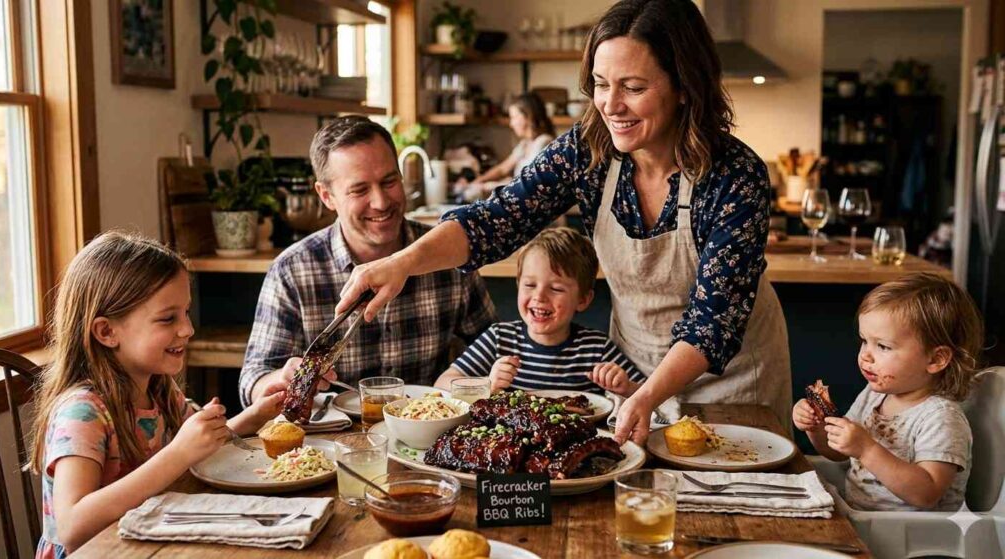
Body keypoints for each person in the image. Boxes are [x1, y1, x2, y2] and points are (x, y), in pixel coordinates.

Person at [336, 0, 791, 444]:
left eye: (633, 87)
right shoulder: (588, 149)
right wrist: (401, 263)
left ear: (684, 87)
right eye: (599, 84)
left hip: (729, 385)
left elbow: (711, 325)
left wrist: (651, 395)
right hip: (628, 373)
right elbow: (495, 221)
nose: (610, 105)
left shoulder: (734, 174)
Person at [28, 232, 286, 557]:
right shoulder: (83, 411)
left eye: (186, 312)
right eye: (168, 318)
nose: (188, 329)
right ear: (107, 332)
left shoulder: (158, 388)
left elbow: (201, 444)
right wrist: (178, 454)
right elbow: (72, 527)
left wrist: (257, 415)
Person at [240, 116, 497, 408]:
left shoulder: (444, 252)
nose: (380, 202)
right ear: (327, 196)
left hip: (425, 437)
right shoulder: (293, 270)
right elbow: (254, 377)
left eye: (389, 182)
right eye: (360, 190)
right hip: (328, 441)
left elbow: (492, 346)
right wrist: (279, 379)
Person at [794, 273, 983, 511]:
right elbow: (839, 452)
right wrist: (816, 427)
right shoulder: (874, 395)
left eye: (882, 346)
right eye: (864, 341)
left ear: (936, 359)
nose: (866, 355)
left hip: (912, 536)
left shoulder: (941, 418)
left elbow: (927, 493)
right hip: (862, 519)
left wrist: (866, 449)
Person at [435, 227, 644, 396]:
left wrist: (625, 387)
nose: (540, 296)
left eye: (556, 289)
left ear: (582, 299)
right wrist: (485, 385)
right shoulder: (499, 339)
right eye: (530, 285)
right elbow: (441, 383)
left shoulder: (596, 349)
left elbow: (647, 394)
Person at [454, 93, 556, 200]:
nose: (511, 124)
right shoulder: (525, 144)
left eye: (514, 117)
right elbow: (502, 169)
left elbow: (527, 183)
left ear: (528, 117)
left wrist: (489, 186)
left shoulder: (544, 142)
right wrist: (476, 182)